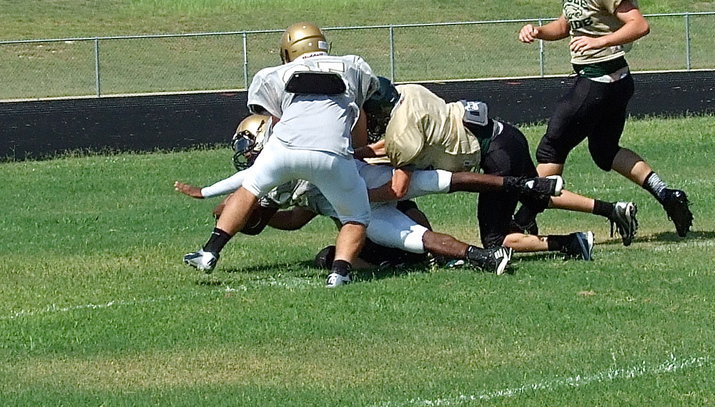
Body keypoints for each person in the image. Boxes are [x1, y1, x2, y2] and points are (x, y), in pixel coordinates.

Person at [174, 114, 563, 277]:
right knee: (421, 224)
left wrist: (217, 198)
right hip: (361, 202)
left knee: (442, 181)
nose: (248, 155)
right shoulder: (278, 174)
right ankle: (483, 254)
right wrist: (248, 209)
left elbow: (237, 194)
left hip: (366, 190)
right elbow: (290, 215)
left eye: (249, 146)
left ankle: (526, 186)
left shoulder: (285, 159)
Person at [516, 0, 693, 237]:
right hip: (615, 81)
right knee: (604, 151)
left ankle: (524, 218)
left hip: (597, 80)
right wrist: (539, 31)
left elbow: (638, 25)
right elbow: (566, 25)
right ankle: (667, 194)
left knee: (550, 149)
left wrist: (599, 41)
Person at [182, 22, 380, 287]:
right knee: (356, 217)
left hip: (285, 146)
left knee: (250, 189)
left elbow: (275, 117)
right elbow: (361, 108)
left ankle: (209, 251)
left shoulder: (275, 74)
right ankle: (340, 273)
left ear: (289, 50)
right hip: (331, 152)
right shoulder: (354, 65)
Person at [375, 82, 639, 260]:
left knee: (496, 240)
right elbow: (394, 142)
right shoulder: (410, 94)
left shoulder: (403, 130)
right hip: (507, 136)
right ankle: (612, 209)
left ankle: (571, 243)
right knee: (538, 194)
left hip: (495, 155)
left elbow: (400, 181)